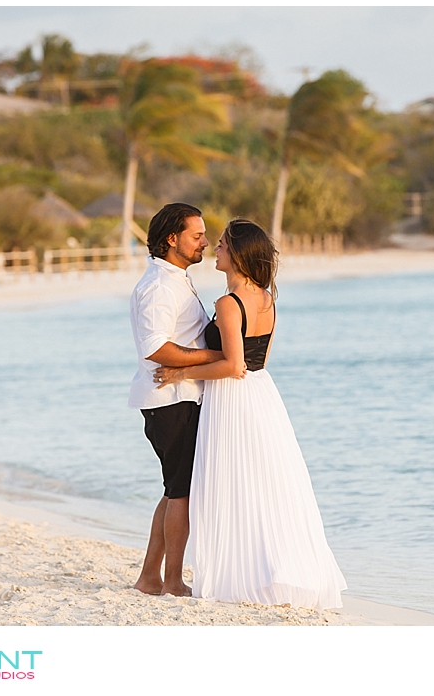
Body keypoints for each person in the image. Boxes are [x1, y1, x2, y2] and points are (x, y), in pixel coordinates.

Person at [155, 219, 346, 610]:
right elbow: (258, 362)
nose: (215, 248)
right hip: (263, 396)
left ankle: (244, 576)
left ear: (238, 254)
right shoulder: (266, 299)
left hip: (232, 400)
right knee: (264, 487)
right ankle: (270, 571)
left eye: (222, 244)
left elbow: (233, 366)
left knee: (234, 487)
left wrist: (181, 371)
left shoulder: (229, 303)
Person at [128, 202, 225, 597]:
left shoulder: (174, 279)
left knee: (174, 490)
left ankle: (150, 577)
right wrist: (215, 356)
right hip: (172, 399)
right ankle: (171, 581)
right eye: (197, 235)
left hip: (176, 397)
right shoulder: (159, 286)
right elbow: (156, 348)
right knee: (181, 492)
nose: (205, 241)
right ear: (173, 239)